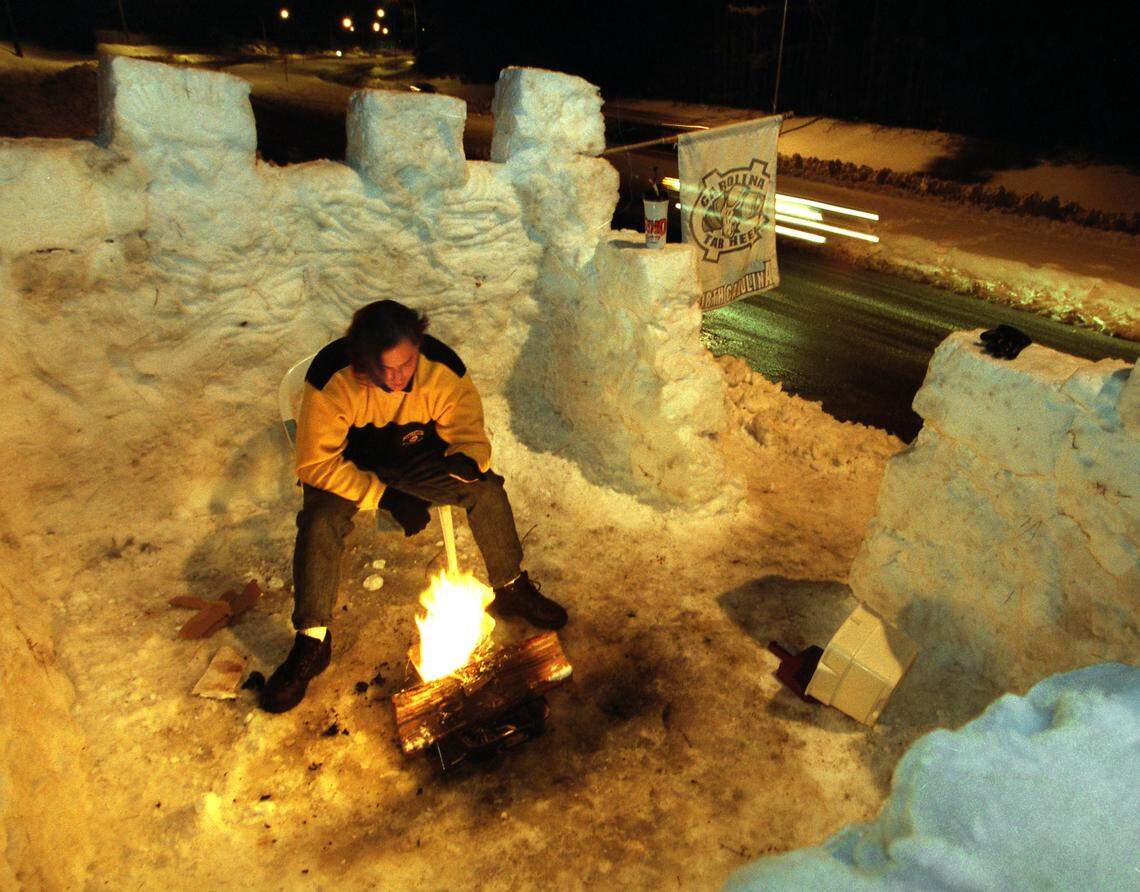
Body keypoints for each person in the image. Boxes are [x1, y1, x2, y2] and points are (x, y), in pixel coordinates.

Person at [261, 300, 568, 713]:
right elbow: (316, 463)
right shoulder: (331, 379)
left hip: (414, 454)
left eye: (404, 365)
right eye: (382, 369)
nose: (396, 377)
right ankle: (312, 640)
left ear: (418, 347)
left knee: (486, 490)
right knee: (319, 521)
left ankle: (511, 586)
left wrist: (465, 460)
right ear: (360, 360)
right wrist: (384, 496)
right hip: (348, 464)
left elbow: (469, 436)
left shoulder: (443, 370)